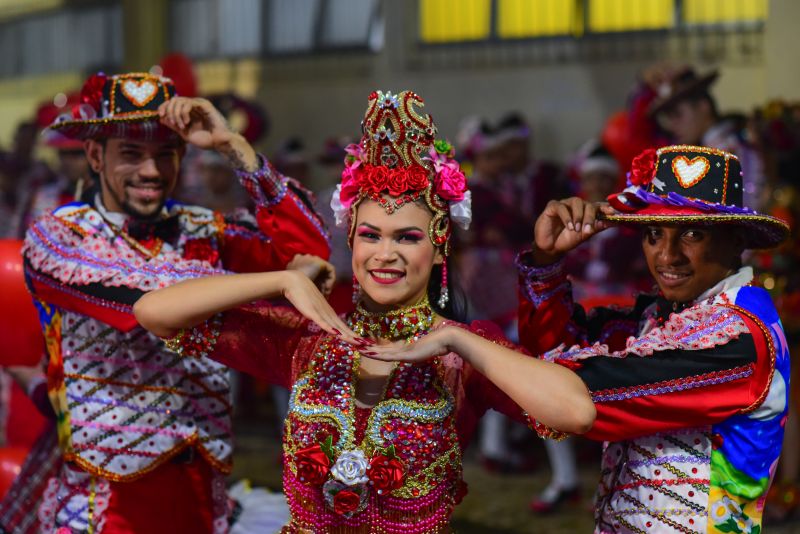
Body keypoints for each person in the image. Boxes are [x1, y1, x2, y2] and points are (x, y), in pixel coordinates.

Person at [133, 89, 596, 533]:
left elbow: (574, 412)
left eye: (407, 238)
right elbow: (154, 311)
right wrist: (281, 279)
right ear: (351, 240)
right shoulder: (309, 339)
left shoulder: (460, 356)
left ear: (439, 248)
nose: (385, 254)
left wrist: (457, 339)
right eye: (371, 235)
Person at [9, 71, 330, 533]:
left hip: (199, 485)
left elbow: (312, 248)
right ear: (96, 156)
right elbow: (151, 304)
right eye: (132, 154)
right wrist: (277, 281)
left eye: (166, 154)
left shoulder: (206, 228)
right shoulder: (62, 236)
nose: (152, 172)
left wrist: (232, 146)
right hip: (106, 497)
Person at [515, 145, 790, 532]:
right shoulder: (657, 317)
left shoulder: (741, 335)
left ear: (735, 239)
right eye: (654, 234)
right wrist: (547, 260)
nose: (667, 255)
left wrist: (469, 347)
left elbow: (582, 398)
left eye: (693, 234)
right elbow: (553, 346)